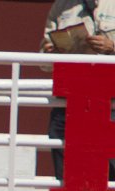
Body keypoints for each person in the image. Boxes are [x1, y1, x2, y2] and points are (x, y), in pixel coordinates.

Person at [41, 0, 115, 180]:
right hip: (69, 106)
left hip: (111, 104)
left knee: (110, 178)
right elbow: (43, 62)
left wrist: (112, 47)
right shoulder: (61, 6)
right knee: (69, 177)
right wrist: (51, 54)